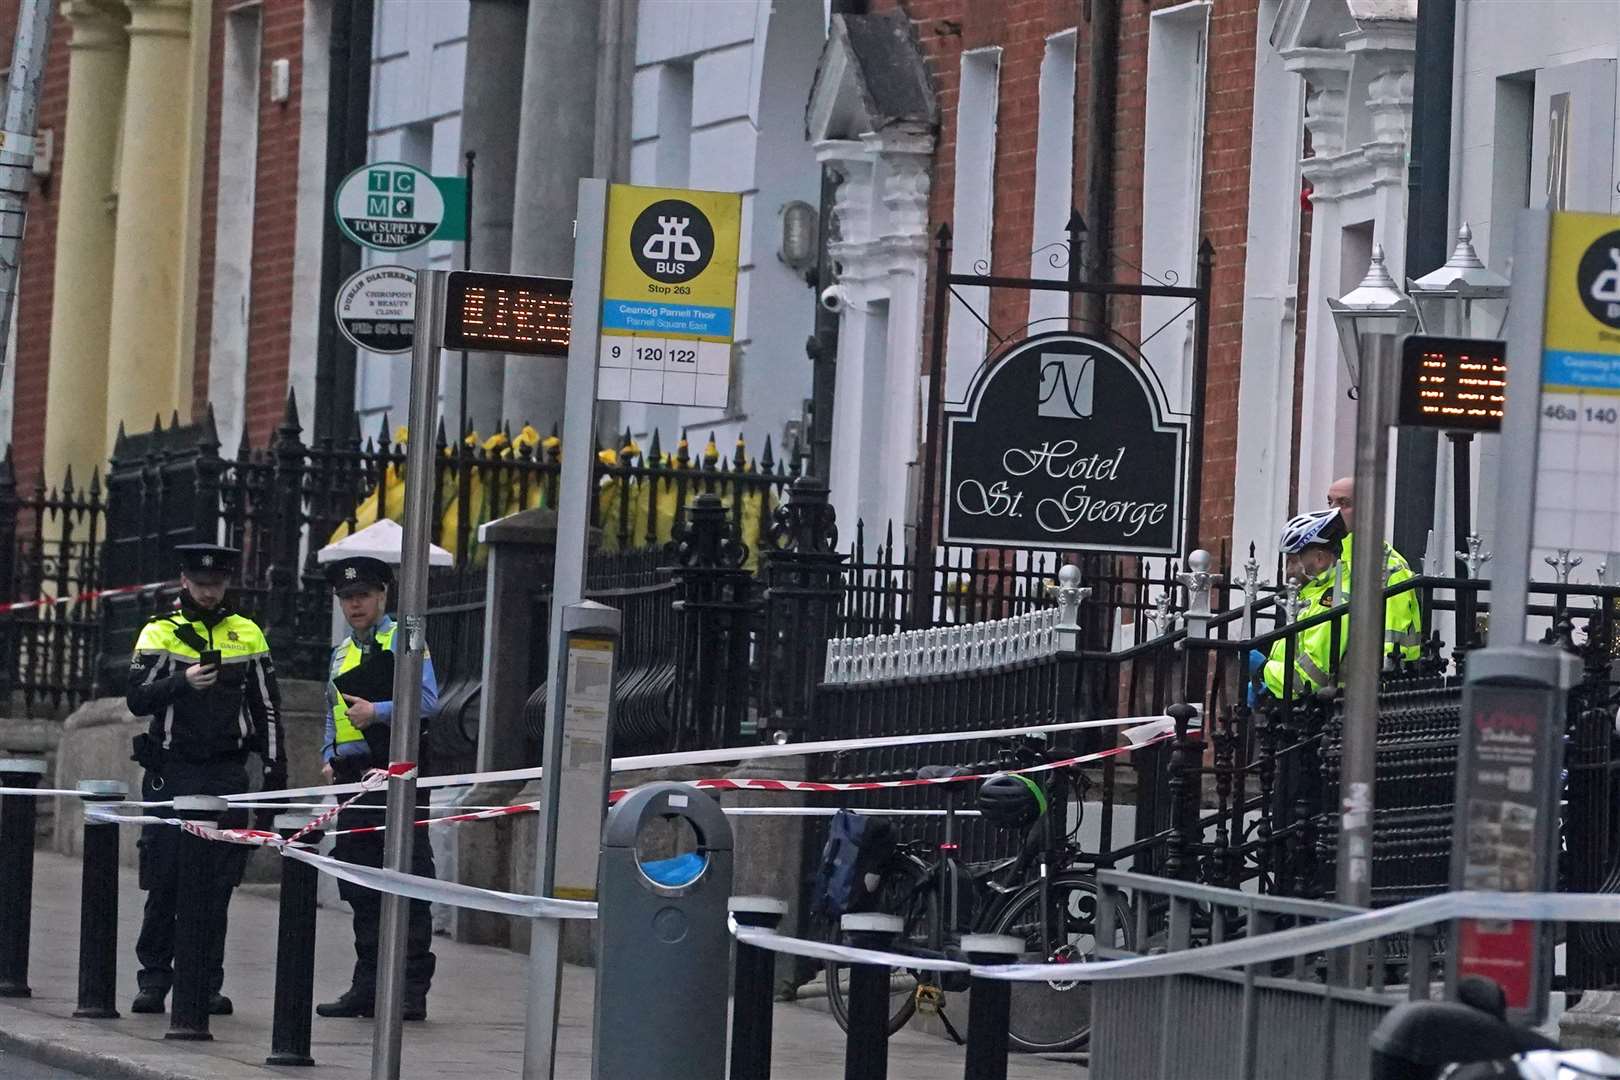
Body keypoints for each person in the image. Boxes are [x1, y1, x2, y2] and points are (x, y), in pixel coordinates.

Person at [126, 544, 285, 1016]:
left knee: (218, 883)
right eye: (201, 584)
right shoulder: (160, 632)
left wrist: (275, 777)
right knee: (166, 876)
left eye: (216, 585)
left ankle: (205, 981)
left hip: (225, 770)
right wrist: (183, 682)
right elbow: (137, 699)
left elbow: (268, 709)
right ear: (184, 581)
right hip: (173, 768)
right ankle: (154, 979)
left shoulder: (248, 633)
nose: (209, 592)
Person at [316, 555, 438, 1022]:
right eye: (347, 598)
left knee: (407, 878)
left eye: (363, 595)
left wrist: (379, 712)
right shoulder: (340, 652)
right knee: (360, 884)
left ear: (383, 595)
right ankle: (366, 986)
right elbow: (332, 707)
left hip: (397, 775)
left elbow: (428, 701)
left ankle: (409, 989)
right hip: (352, 781)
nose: (355, 605)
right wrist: (330, 752)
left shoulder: (404, 636)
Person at [1258, 509, 1423, 699]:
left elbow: (1308, 679)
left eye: (1292, 561)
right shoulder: (1317, 591)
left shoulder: (1333, 598)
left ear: (1319, 559)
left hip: (1324, 712)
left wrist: (1263, 670)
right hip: (1296, 705)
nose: (1288, 571)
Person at [1324, 476, 1423, 663]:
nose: (1333, 511)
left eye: (1344, 503)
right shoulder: (1332, 558)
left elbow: (1393, 638)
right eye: (1330, 502)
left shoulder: (1387, 566)